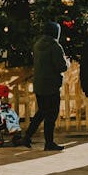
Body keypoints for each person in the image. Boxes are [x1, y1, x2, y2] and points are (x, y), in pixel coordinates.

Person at [21, 22, 69, 151]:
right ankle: (49, 143)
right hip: (52, 85)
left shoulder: (37, 45)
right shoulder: (55, 46)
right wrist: (67, 62)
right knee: (51, 115)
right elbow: (61, 66)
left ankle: (27, 136)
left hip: (39, 85)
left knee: (41, 112)